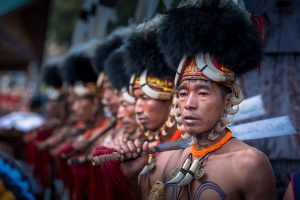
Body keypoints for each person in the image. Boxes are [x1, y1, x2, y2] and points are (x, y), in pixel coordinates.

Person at [114, 0, 276, 199]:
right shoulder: (161, 162)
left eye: (203, 93)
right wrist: (132, 177)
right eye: (183, 93)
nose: (189, 103)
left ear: (228, 100)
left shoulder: (248, 165)